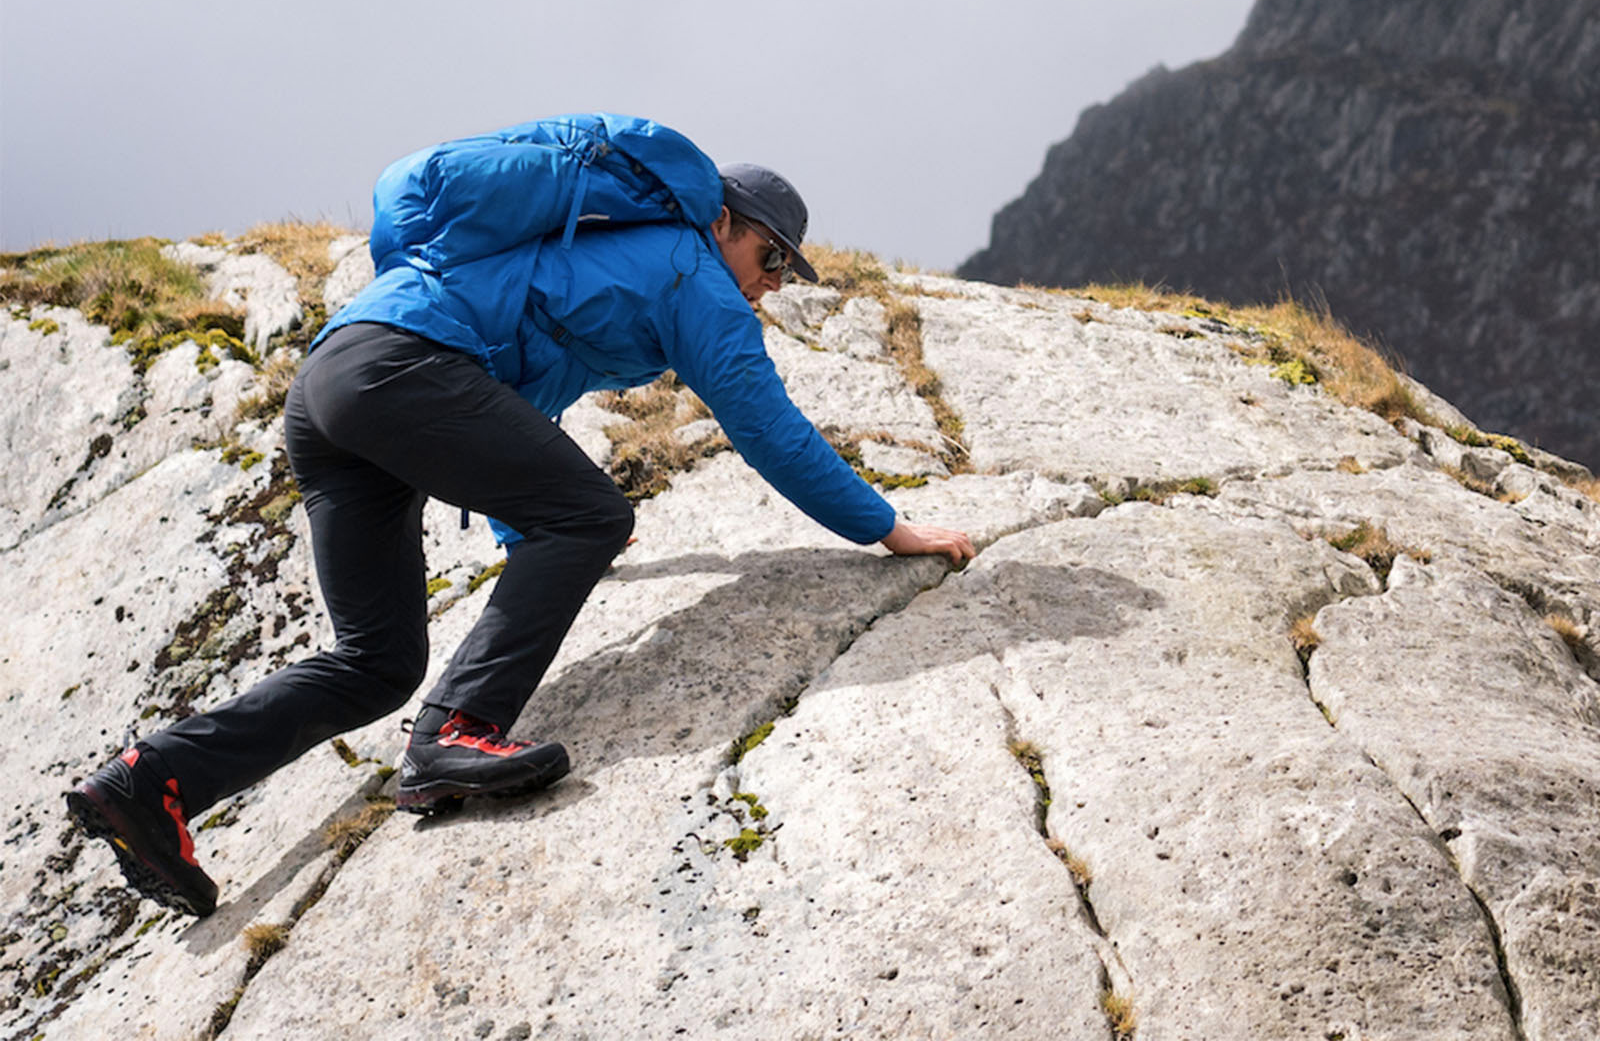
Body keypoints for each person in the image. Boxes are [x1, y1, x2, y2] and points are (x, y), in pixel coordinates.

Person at [65, 153, 976, 917]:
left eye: (783, 274)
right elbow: (768, 427)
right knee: (595, 513)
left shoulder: (603, 257)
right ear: (725, 223)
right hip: (395, 372)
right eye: (772, 258)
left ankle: (151, 781)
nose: (771, 285)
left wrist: (526, 534)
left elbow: (517, 412)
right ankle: (457, 732)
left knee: (378, 660)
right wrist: (888, 527)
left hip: (335, 386)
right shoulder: (689, 272)